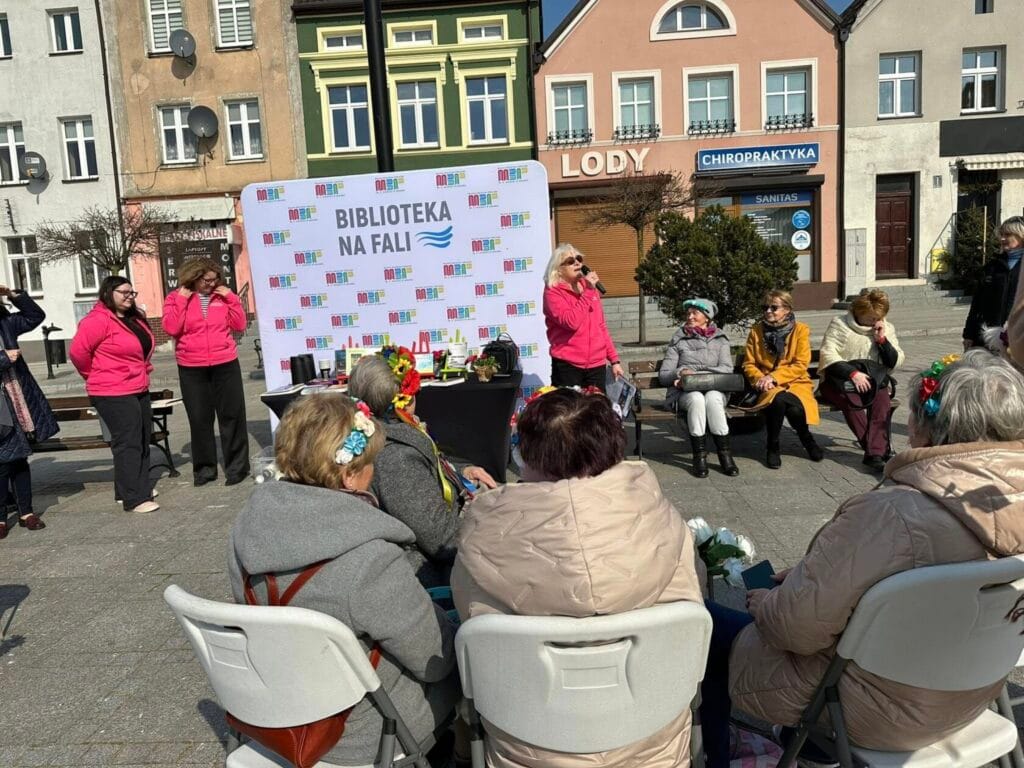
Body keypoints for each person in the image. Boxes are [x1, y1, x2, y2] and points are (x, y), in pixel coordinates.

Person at [699, 350, 1024, 768]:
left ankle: (720, 755)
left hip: (872, 707)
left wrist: (766, 604)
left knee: (708, 622)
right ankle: (815, 745)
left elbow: (795, 632)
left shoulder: (893, 513)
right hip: (975, 694)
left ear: (926, 426)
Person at [453, 388, 703, 768]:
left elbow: (466, 615)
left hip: (528, 746)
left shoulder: (479, 537)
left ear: (529, 456)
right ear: (612, 449)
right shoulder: (667, 524)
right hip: (652, 743)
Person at [228, 394, 462, 766]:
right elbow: (436, 660)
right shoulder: (369, 558)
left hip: (277, 711)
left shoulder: (244, 533)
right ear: (349, 474)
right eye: (371, 463)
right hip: (363, 734)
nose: (374, 471)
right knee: (470, 667)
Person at [348, 349, 496, 587]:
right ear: (403, 403)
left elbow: (432, 465)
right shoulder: (394, 459)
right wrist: (498, 527)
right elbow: (442, 540)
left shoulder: (387, 433)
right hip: (435, 578)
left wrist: (462, 472)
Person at [70, 276, 158, 514]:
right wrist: (95, 374)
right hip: (111, 390)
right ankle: (134, 498)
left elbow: (142, 348)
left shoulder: (133, 319)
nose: (130, 297)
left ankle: (132, 487)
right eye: (124, 292)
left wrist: (142, 368)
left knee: (141, 438)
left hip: (137, 386)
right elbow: (78, 353)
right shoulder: (97, 321)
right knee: (128, 441)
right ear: (109, 293)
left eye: (132, 292)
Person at [161, 257, 249, 487]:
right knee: (200, 419)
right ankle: (205, 470)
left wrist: (231, 297)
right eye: (206, 280)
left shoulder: (222, 297)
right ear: (193, 278)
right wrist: (181, 300)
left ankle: (237, 468)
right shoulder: (174, 298)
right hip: (192, 366)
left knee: (232, 416)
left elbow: (239, 325)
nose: (211, 284)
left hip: (225, 363)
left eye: (214, 279)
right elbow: (172, 328)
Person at [818, 289, 905, 471]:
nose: (875, 321)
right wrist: (852, 374)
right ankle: (878, 451)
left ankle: (874, 454)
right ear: (859, 312)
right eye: (871, 317)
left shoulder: (886, 328)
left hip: (872, 382)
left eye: (878, 317)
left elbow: (894, 361)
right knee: (853, 403)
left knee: (882, 401)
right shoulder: (839, 324)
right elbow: (828, 353)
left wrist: (882, 340)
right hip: (838, 382)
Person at [0, 287, 59, 539]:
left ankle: (26, 512)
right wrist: (3, 359)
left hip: (16, 395)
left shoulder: (5, 323)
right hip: (2, 401)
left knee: (20, 458)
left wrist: (14, 295)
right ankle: (1, 518)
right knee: (2, 463)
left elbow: (35, 316)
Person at [741, 290, 822, 469]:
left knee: (793, 410)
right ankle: (774, 445)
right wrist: (761, 379)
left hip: (795, 382)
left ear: (787, 309)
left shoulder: (800, 330)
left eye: (774, 307)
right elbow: (749, 363)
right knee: (777, 400)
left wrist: (775, 377)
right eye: (765, 307)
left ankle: (805, 438)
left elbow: (801, 364)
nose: (768, 311)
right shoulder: (756, 331)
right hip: (765, 383)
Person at [659, 298, 738, 478]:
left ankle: (725, 455)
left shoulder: (720, 339)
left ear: (707, 318)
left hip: (715, 389)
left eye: (695, 313)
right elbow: (664, 375)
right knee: (697, 399)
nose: (690, 316)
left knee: (712, 398)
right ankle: (699, 456)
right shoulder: (679, 338)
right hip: (685, 392)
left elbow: (727, 369)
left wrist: (698, 374)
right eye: (688, 313)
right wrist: (681, 372)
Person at [542, 243, 622, 393]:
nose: (578, 262)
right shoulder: (552, 293)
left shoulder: (588, 288)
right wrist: (588, 292)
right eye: (571, 261)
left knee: (597, 413)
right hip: (568, 366)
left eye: (578, 258)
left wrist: (614, 360)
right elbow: (571, 322)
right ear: (558, 269)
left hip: (596, 365)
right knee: (570, 413)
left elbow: (601, 326)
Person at [963, 215, 1023, 350]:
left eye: (1007, 234)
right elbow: (977, 305)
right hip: (988, 337)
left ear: (1021, 235)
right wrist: (969, 334)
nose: (1002, 239)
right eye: (1001, 234)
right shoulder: (992, 266)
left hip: (1017, 339)